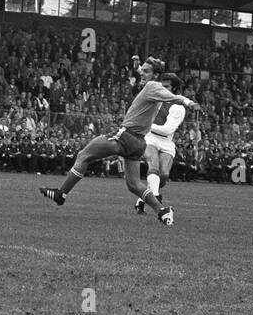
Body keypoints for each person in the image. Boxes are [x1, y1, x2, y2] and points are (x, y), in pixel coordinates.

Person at [39, 57, 198, 212]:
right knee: (134, 184)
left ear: (155, 75)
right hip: (139, 142)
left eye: (146, 71)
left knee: (84, 155)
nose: (142, 74)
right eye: (142, 71)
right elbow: (152, 81)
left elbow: (174, 97)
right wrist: (137, 67)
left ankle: (62, 194)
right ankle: (162, 211)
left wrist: (189, 102)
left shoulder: (152, 87)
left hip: (126, 136)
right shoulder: (153, 87)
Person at [133, 72, 187, 226]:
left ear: (174, 88)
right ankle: (156, 197)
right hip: (149, 138)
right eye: (162, 86)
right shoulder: (154, 98)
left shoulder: (178, 107)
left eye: (167, 86)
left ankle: (142, 199)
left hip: (166, 142)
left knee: (163, 175)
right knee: (153, 166)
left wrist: (146, 123)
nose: (163, 89)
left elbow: (167, 130)